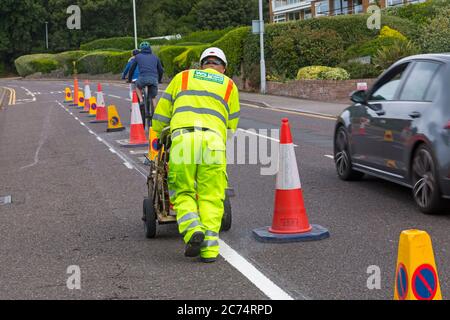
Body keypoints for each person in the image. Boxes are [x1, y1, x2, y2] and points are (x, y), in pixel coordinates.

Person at [152, 47, 240, 263]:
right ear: (224, 67)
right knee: (211, 197)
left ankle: (192, 231)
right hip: (213, 143)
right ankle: (210, 251)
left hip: (183, 140)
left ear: (202, 65)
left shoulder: (183, 78)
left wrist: (160, 131)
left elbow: (161, 116)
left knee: (182, 191)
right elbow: (231, 126)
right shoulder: (229, 85)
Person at [129, 41, 164, 128]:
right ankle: (155, 114)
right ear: (150, 48)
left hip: (142, 78)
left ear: (141, 49)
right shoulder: (155, 57)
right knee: (153, 97)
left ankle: (141, 100)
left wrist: (129, 79)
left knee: (137, 86)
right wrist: (159, 80)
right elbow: (161, 70)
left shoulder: (137, 56)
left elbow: (132, 68)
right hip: (153, 79)